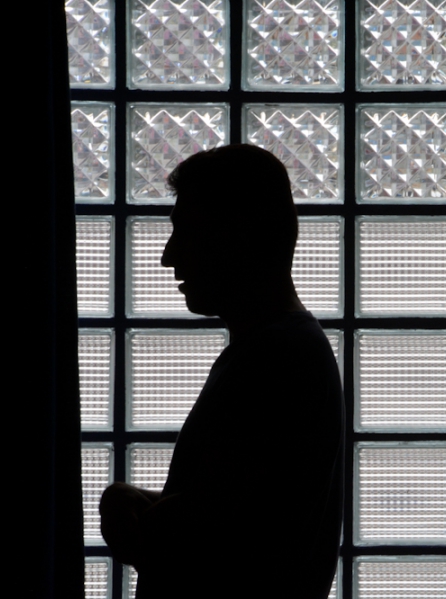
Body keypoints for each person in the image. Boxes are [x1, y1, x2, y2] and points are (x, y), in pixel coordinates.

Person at [99, 144, 344, 599]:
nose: (168, 257)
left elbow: (214, 551)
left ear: (236, 236)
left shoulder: (276, 362)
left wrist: (129, 511)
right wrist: (143, 504)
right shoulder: (281, 349)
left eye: (186, 233)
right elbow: (237, 514)